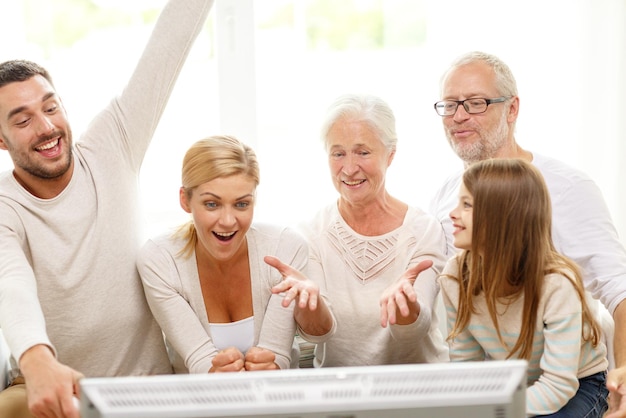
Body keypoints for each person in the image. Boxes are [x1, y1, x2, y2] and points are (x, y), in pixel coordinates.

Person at [0, 1, 215, 417]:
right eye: (22, 120)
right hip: (49, 388)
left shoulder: (113, 144)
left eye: (50, 106)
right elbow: (10, 283)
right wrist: (36, 358)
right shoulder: (4, 206)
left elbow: (169, 44)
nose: (46, 127)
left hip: (145, 389)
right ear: (1, 140)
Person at [429, 51, 626, 417]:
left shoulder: (569, 189)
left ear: (512, 108)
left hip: (571, 379)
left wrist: (624, 376)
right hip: (508, 379)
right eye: (450, 105)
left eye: (475, 103)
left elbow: (619, 289)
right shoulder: (445, 200)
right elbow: (463, 348)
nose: (458, 116)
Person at [137, 135, 335, 373]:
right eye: (212, 204)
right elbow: (199, 360)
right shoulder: (160, 259)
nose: (228, 221)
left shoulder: (284, 247)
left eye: (241, 204)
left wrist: (312, 306)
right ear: (185, 200)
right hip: (198, 406)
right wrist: (214, 372)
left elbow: (280, 355)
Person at [439, 158, 608, 417]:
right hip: (514, 384)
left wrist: (495, 410)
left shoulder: (556, 284)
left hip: (577, 385)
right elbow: (467, 369)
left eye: (467, 205)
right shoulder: (455, 277)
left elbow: (558, 384)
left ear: (503, 216)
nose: (452, 213)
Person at [299, 93, 449, 368]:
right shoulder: (312, 233)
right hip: (342, 396)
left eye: (363, 152)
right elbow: (317, 334)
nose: (349, 168)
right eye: (338, 153)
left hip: (418, 394)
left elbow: (415, 331)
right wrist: (304, 303)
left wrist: (407, 307)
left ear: (390, 155)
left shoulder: (423, 229)